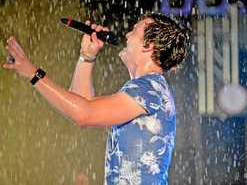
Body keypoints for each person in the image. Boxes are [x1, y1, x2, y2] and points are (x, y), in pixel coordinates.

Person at [3, 12, 190, 184]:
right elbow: (81, 104)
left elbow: (83, 114)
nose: (126, 35)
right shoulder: (150, 88)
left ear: (148, 46)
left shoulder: (150, 88)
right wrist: (87, 56)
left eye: (134, 31)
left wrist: (33, 74)